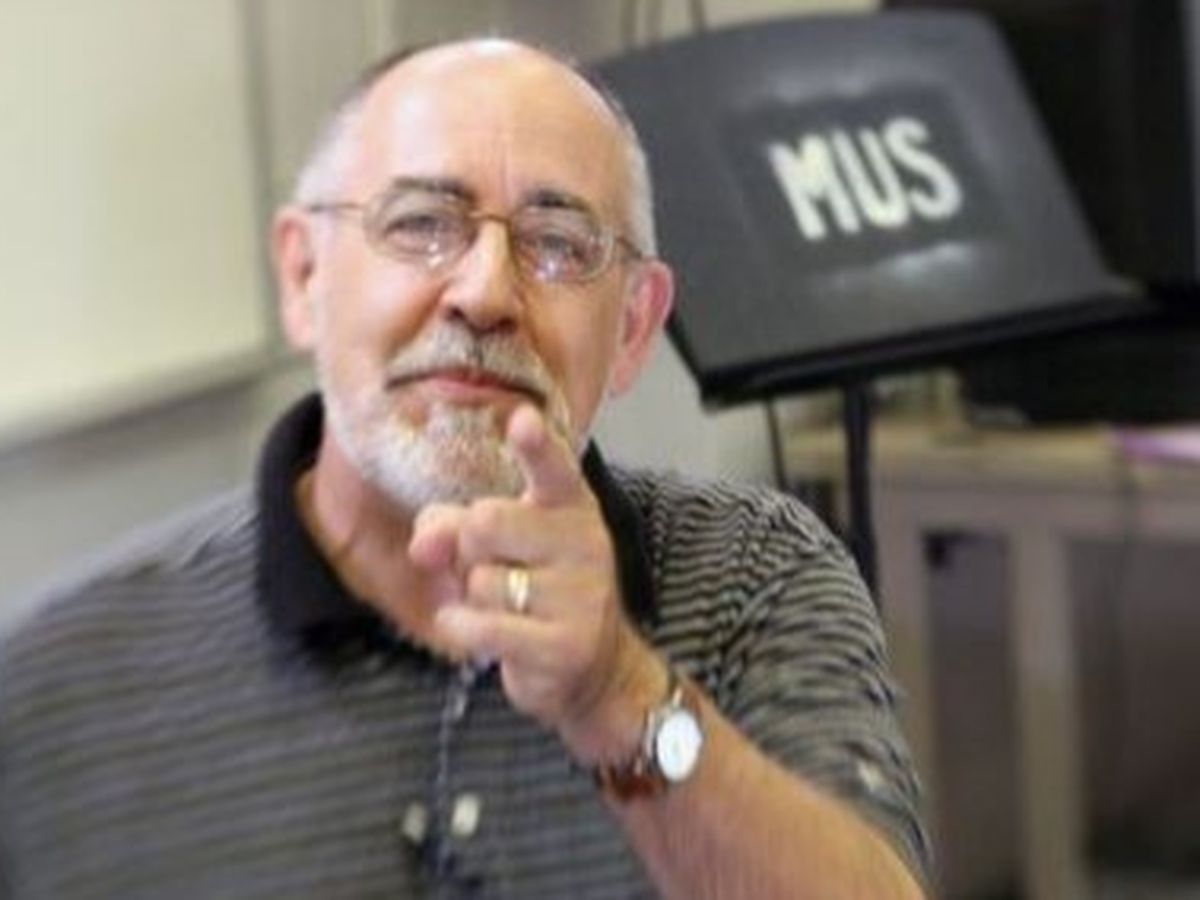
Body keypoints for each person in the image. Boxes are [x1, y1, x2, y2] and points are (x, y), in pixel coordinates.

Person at [0, 38, 929, 899]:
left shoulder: (755, 574)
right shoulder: (61, 683)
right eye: (420, 224)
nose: (485, 294)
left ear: (634, 327)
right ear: (304, 276)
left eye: (558, 245)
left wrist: (617, 696)